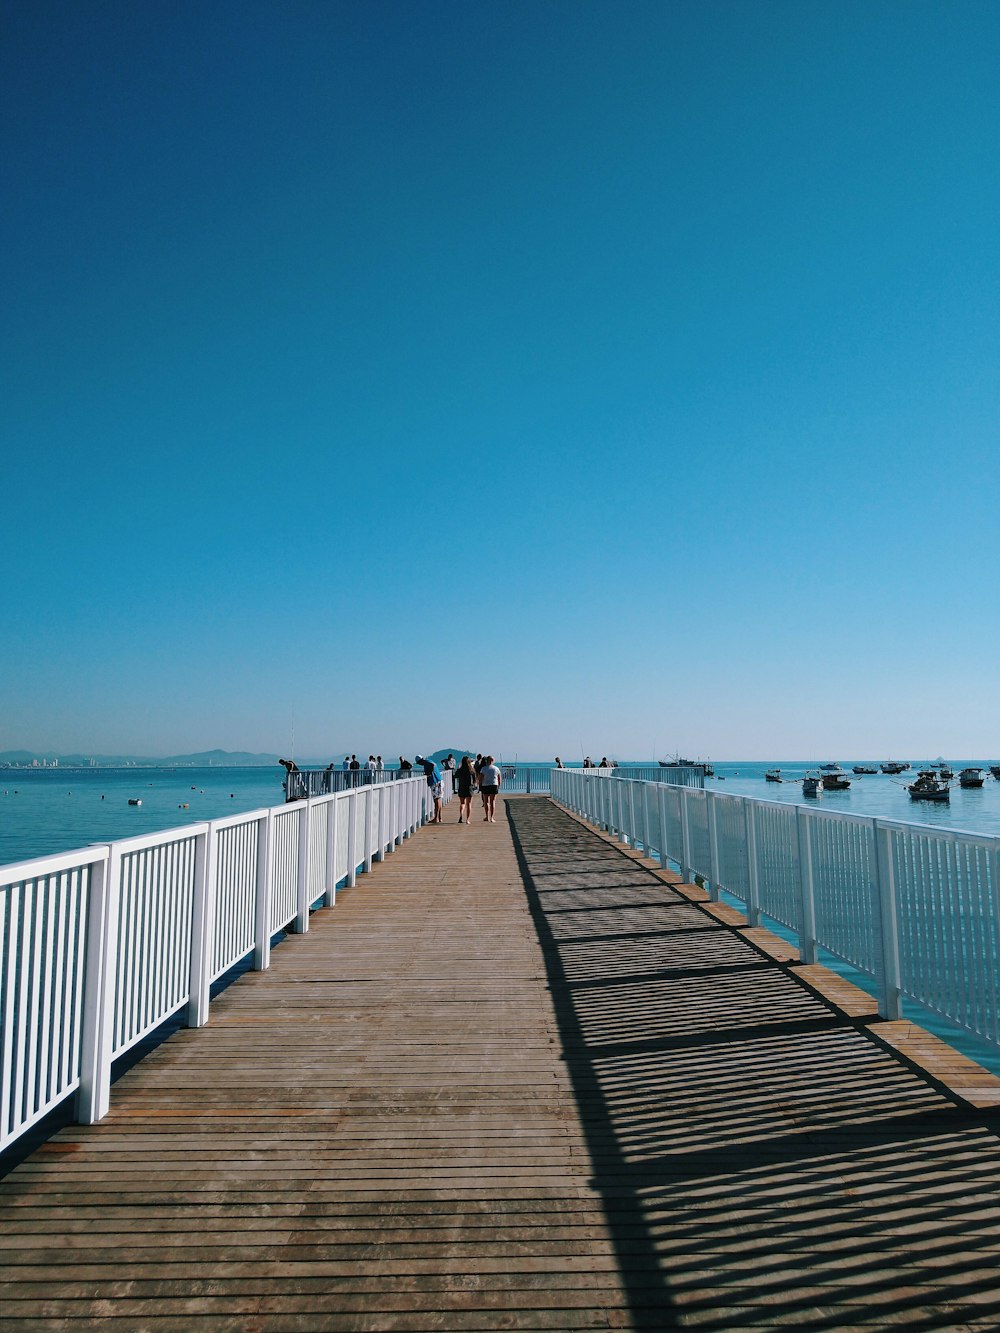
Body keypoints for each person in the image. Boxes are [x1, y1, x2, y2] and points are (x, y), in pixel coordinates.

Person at [415, 755, 444, 823]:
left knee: (436, 801)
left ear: (420, 761)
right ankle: (440, 817)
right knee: (439, 800)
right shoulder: (428, 761)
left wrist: (429, 773)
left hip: (435, 782)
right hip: (439, 781)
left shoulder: (426, 762)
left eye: (419, 763)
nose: (420, 764)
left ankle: (436, 818)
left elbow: (432, 765)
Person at [479, 754, 501, 823]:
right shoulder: (496, 768)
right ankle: (492, 818)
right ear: (492, 760)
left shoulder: (483, 768)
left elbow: (481, 778)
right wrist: (498, 786)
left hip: (485, 785)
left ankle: (487, 817)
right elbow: (499, 778)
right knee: (492, 801)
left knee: (486, 801)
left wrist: (480, 785)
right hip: (494, 785)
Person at [455, 755, 476, 825]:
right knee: (469, 804)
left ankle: (461, 815)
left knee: (462, 803)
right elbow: (475, 780)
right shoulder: (471, 770)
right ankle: (467, 820)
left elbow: (455, 775)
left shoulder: (460, 770)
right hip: (469, 788)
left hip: (461, 787)